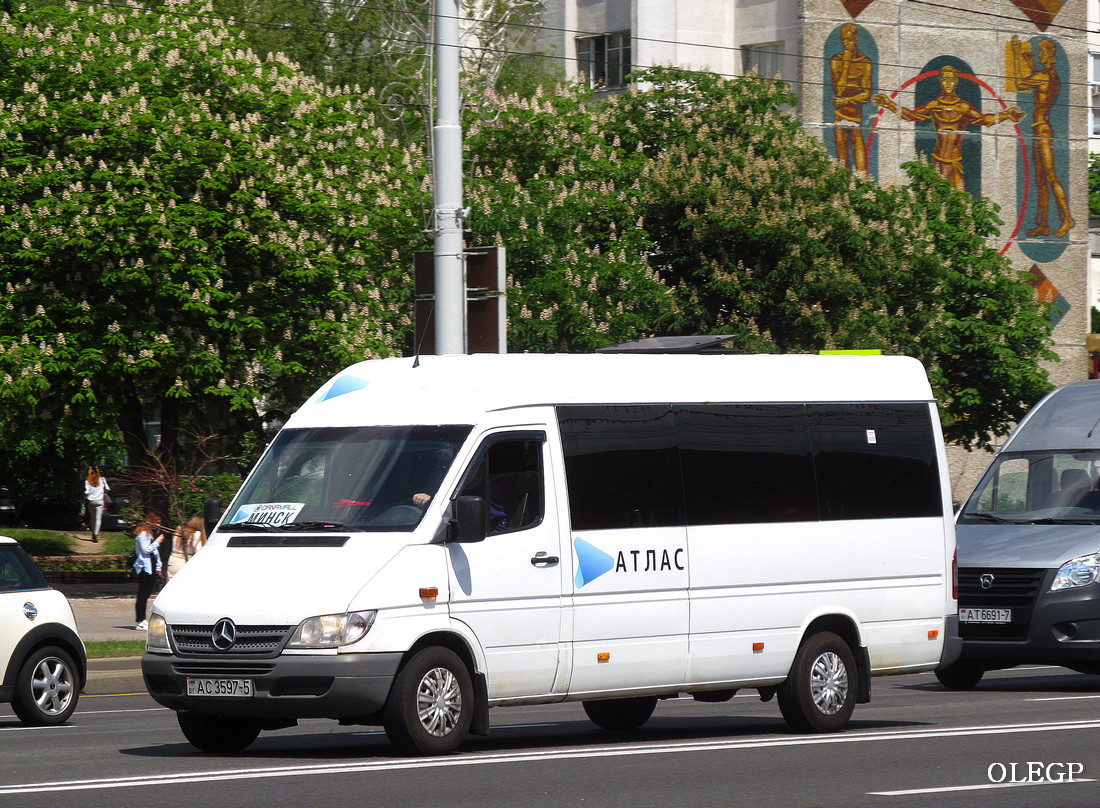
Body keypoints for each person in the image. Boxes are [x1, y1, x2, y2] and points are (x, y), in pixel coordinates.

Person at [874, 65, 1024, 192]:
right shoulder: (934, 105)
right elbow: (910, 115)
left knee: (962, 205)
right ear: (940, 82)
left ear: (956, 82)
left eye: (951, 80)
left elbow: (985, 120)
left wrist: (1007, 114)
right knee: (932, 204)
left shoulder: (963, 107)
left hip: (955, 162)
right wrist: (889, 104)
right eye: (945, 80)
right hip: (938, 160)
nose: (948, 84)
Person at [830, 23, 873, 173]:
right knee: (843, 164)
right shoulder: (836, 61)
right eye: (843, 40)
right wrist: (847, 63)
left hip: (856, 116)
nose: (845, 43)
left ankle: (862, 189)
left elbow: (866, 94)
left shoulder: (865, 63)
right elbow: (839, 90)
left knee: (861, 168)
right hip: (840, 116)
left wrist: (846, 101)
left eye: (849, 40)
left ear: (856, 39)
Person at [132, 513, 163, 631]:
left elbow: (155, 553)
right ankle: (140, 621)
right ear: (151, 522)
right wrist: (157, 542)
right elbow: (146, 550)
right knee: (142, 595)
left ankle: (143, 620)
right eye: (157, 522)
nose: (159, 525)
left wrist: (159, 567)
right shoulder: (143, 534)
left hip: (152, 567)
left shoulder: (150, 534)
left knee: (147, 594)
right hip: (144, 568)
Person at [167, 515, 206, 580]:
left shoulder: (179, 531)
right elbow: (198, 551)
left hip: (172, 561)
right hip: (184, 562)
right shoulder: (196, 534)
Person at [83, 466, 110, 543]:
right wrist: (103, 493)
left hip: (91, 501)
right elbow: (107, 489)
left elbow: (87, 492)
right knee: (98, 518)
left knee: (92, 518)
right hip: (100, 501)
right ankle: (96, 533)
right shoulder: (102, 479)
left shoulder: (87, 481)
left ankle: (92, 533)